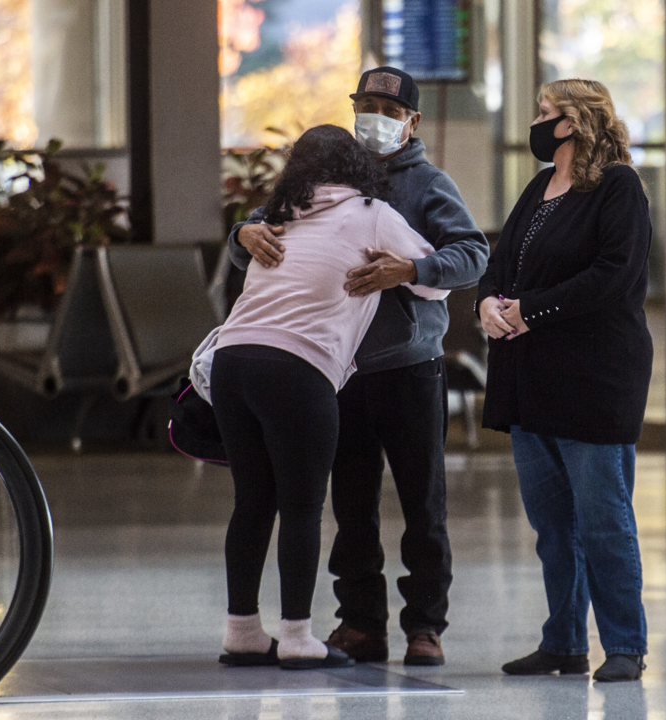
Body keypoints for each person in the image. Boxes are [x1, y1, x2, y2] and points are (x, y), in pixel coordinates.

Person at [228, 66, 487, 666]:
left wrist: (411, 271)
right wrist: (243, 233)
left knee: (423, 504)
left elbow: (472, 255)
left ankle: (425, 627)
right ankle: (360, 622)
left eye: (388, 110)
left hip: (409, 368)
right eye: (365, 104)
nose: (375, 117)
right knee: (351, 506)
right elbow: (267, 229)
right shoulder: (321, 182)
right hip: (337, 373)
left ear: (411, 122)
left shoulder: (427, 185)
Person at [477, 79, 654, 683]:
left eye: (544, 112)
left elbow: (613, 274)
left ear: (575, 122)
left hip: (593, 378)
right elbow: (502, 262)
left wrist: (530, 310)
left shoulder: (619, 186)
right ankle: (564, 643)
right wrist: (487, 304)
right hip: (531, 380)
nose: (536, 121)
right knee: (553, 526)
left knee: (604, 520)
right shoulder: (540, 185)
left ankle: (626, 644)